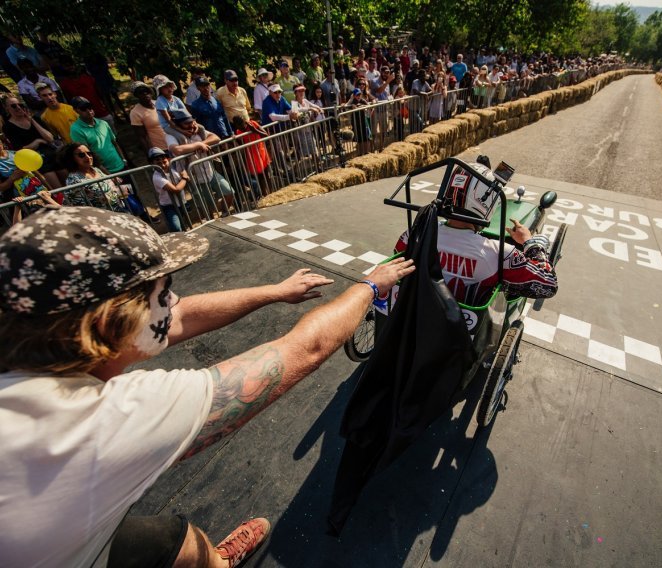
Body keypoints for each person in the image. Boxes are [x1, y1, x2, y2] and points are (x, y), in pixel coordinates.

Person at [0, 205, 415, 568]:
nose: (174, 299)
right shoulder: (96, 424)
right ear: (110, 325)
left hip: (47, 539)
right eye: (163, 292)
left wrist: (275, 292)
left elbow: (176, 319)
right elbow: (306, 349)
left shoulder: (33, 342)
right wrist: (369, 286)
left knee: (177, 540)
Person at [394, 160, 557, 304]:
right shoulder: (499, 253)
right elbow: (548, 285)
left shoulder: (412, 235)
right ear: (485, 202)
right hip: (464, 332)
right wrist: (530, 242)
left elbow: (398, 260)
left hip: (415, 314)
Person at [165, 109, 234, 214]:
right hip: (194, 177)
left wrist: (203, 143)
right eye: (186, 123)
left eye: (191, 122)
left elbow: (216, 137)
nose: (191, 125)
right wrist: (197, 145)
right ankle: (211, 219)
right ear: (177, 125)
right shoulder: (171, 135)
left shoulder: (198, 130)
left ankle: (225, 212)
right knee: (207, 204)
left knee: (229, 191)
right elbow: (177, 150)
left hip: (209, 171)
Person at [2, 95, 64, 189]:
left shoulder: (35, 118)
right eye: (14, 106)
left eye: (20, 105)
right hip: (38, 161)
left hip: (52, 154)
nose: (18, 107)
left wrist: (32, 121)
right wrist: (37, 141)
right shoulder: (8, 127)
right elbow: (20, 150)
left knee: (71, 184)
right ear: (7, 109)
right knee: (59, 189)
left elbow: (50, 138)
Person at [60, 142, 128, 211]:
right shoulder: (73, 180)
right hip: (103, 218)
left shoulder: (96, 169)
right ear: (71, 159)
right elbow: (77, 208)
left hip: (120, 211)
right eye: (81, 155)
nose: (88, 157)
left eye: (89, 153)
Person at [69, 96, 126, 175]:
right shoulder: (76, 130)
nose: (89, 111)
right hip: (104, 173)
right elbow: (87, 156)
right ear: (76, 110)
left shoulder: (103, 123)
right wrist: (108, 175)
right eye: (83, 109)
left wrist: (123, 159)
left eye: (89, 107)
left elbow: (114, 143)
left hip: (121, 166)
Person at [58, 56, 115, 129]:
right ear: (62, 68)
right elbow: (70, 103)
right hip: (85, 118)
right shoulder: (64, 84)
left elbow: (101, 94)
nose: (70, 67)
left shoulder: (87, 78)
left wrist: (108, 109)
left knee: (112, 135)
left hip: (101, 112)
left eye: (71, 64)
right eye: (66, 66)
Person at [148, 146, 189, 232]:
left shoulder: (173, 169)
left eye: (164, 161)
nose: (162, 165)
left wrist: (185, 176)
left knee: (183, 222)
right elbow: (175, 189)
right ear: (152, 164)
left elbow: (185, 176)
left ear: (168, 160)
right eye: (158, 163)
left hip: (181, 202)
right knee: (176, 227)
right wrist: (184, 178)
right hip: (169, 206)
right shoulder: (156, 177)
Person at [129, 81, 168, 151]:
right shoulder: (135, 113)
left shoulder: (159, 103)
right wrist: (150, 153)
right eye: (141, 92)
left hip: (174, 143)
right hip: (160, 149)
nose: (145, 93)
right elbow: (141, 137)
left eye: (146, 90)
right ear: (136, 95)